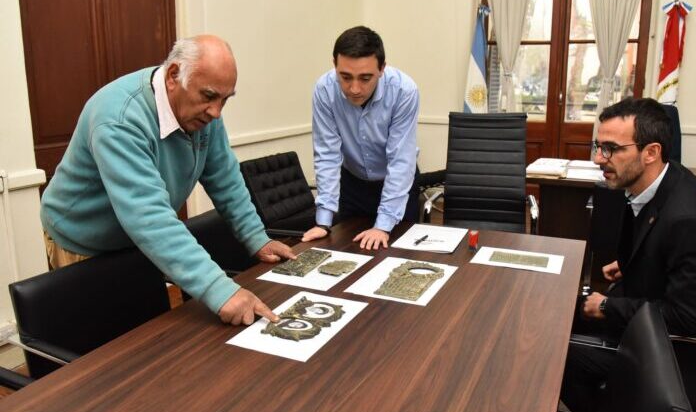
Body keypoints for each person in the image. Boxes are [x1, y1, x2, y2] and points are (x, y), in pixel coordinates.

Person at [40, 35, 295, 326]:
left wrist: (257, 238)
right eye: (209, 96)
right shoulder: (119, 117)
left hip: (134, 240)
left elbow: (225, 178)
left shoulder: (204, 110)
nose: (216, 111)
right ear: (174, 75)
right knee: (103, 346)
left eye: (225, 99)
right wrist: (220, 290)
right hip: (83, 242)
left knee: (147, 332)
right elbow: (149, 218)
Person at [560, 98, 696, 412]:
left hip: (684, 361)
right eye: (597, 146)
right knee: (559, 316)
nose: (597, 158)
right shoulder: (660, 181)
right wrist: (637, 262)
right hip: (653, 329)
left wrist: (606, 307)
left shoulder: (690, 219)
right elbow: (663, 248)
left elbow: (685, 317)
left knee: (552, 352)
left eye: (610, 149)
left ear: (651, 152)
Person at [302, 26, 420, 250]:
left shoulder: (404, 91)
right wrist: (323, 222)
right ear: (334, 65)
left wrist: (383, 225)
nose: (354, 89)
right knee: (349, 253)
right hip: (353, 184)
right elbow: (327, 154)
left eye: (365, 78)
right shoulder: (324, 90)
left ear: (382, 68)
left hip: (397, 183)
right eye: (345, 77)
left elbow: (401, 161)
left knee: (399, 258)